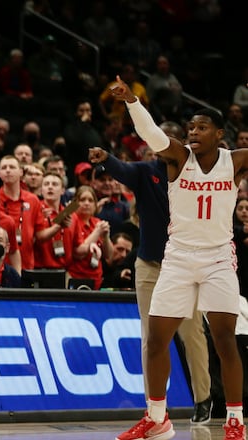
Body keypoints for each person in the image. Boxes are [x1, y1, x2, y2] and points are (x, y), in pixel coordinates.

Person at [109, 75, 248, 440]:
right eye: (190, 127)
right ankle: (157, 417)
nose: (194, 132)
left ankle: (234, 419)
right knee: (155, 339)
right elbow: (151, 133)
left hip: (219, 258)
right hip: (178, 257)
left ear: (221, 133)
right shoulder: (177, 158)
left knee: (224, 340)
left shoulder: (235, 162)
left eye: (202, 127)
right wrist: (130, 102)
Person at [90, 127, 214, 424]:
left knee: (191, 333)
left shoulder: (196, 177)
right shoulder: (146, 172)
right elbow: (122, 169)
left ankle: (203, 398)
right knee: (150, 337)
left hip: (185, 266)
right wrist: (106, 157)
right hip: (149, 265)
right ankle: (155, 407)